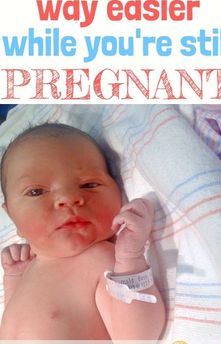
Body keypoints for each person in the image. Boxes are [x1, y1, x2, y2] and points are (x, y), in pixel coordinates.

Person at [0, 123, 165, 340]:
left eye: (89, 184)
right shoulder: (30, 269)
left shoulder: (102, 260)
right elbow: (14, 315)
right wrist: (14, 277)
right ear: (11, 216)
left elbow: (137, 337)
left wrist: (130, 259)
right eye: (36, 191)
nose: (68, 198)